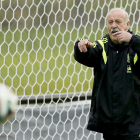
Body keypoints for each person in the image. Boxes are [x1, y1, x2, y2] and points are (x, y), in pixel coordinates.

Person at [74, 8, 140, 140]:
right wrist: (81, 47)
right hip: (109, 125)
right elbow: (87, 56)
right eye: (110, 22)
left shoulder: (135, 47)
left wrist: (132, 39)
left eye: (118, 22)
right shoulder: (101, 46)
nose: (114, 26)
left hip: (133, 124)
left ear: (127, 25)